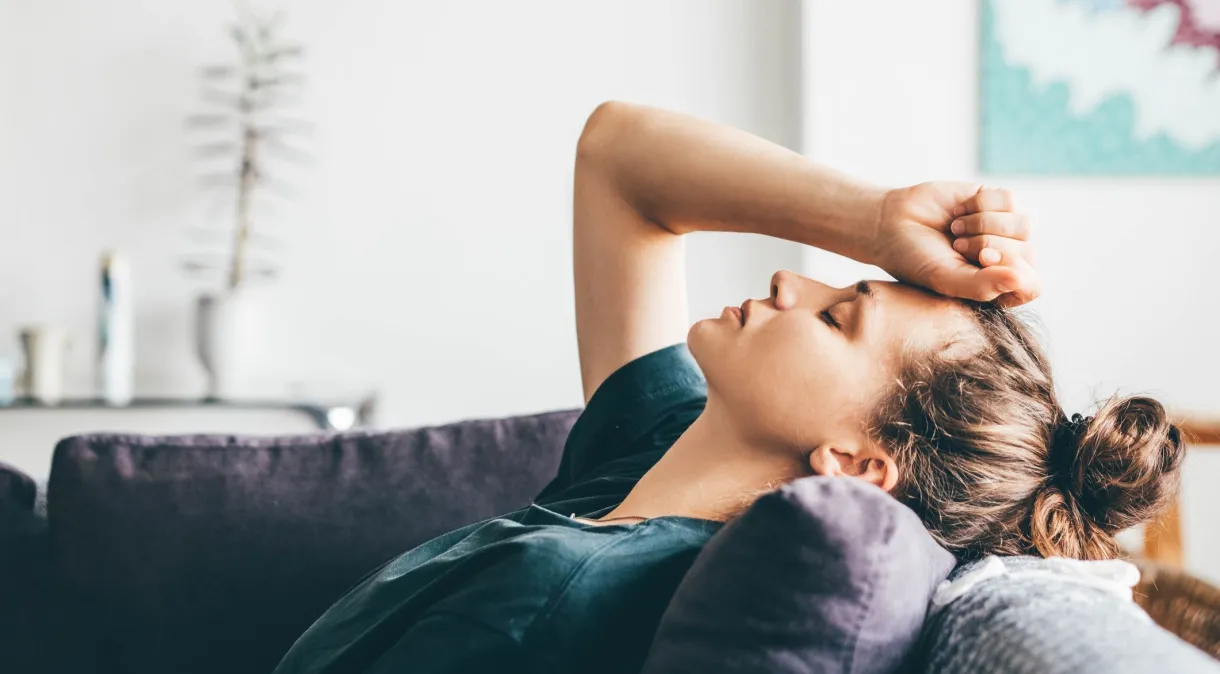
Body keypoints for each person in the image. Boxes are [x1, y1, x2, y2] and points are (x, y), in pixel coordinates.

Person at [272, 103, 1183, 674]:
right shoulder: (656, 448)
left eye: (838, 317)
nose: (795, 284)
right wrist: (876, 221)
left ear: (856, 463)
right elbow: (619, 158)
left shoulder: (557, 593)